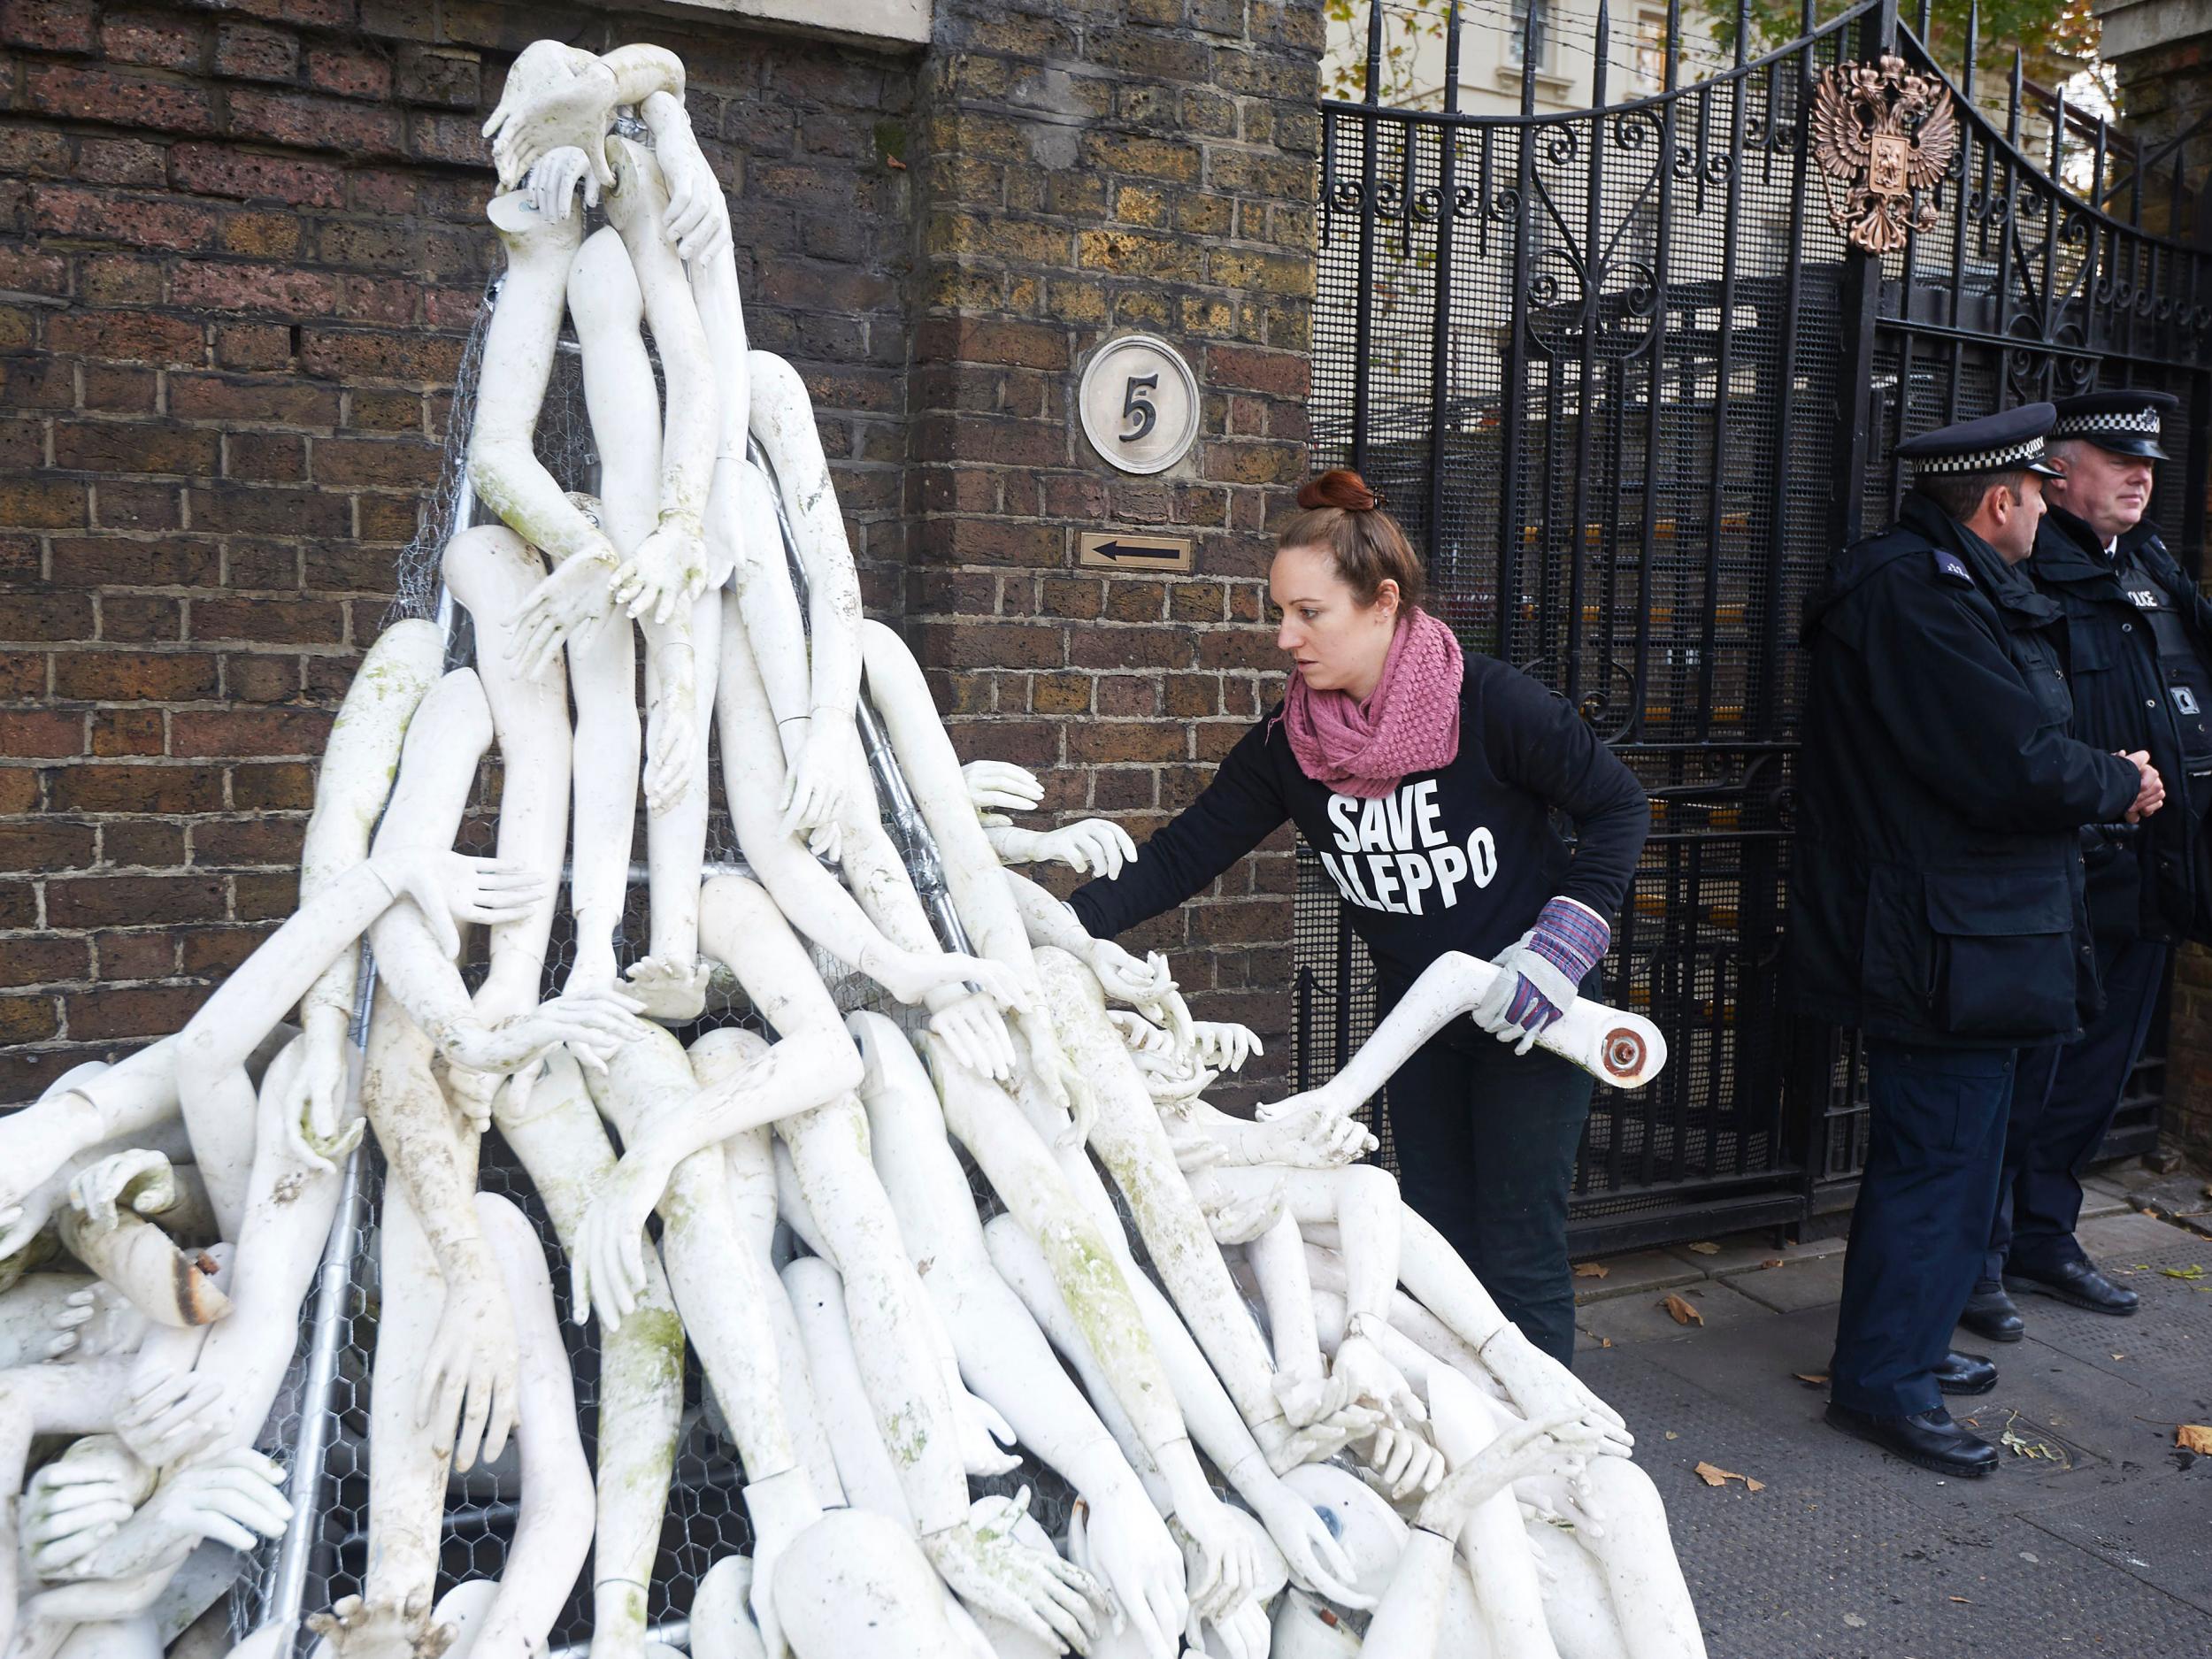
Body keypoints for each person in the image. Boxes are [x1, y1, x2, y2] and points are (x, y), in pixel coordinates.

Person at [1064, 468, 1651, 1368]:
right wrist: (1054, 928)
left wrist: (1561, 945)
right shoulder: (1288, 746)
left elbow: (1617, 807)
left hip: (1536, 1015)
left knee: (1519, 1243)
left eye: (1308, 614)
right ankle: (1461, 1434)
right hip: (1420, 1024)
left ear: (1382, 604)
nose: (1282, 636)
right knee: (1435, 1244)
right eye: (1279, 612)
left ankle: (1554, 1476)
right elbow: (1182, 856)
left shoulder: (1492, 708)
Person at [1787, 404, 2162, 1478]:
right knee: (1937, 1162)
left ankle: (1903, 1345)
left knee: (1952, 1162)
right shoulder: (1917, 594)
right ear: (2000, 501)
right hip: (1942, 937)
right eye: (2041, 493)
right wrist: (2117, 784)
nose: (2046, 508)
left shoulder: (1943, 584)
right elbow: (2005, 760)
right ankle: (1882, 1384)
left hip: (1976, 932)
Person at [1962, 389, 2207, 1341]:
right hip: (2059, 873)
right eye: (2120, 462)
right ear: (2058, 474)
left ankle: (2044, 1234)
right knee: (2028, 1073)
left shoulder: (2146, 562)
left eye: (2148, 464)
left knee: (2097, 1075)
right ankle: (1981, 1254)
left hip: (2148, 870)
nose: (2141, 478)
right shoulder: (2026, 571)